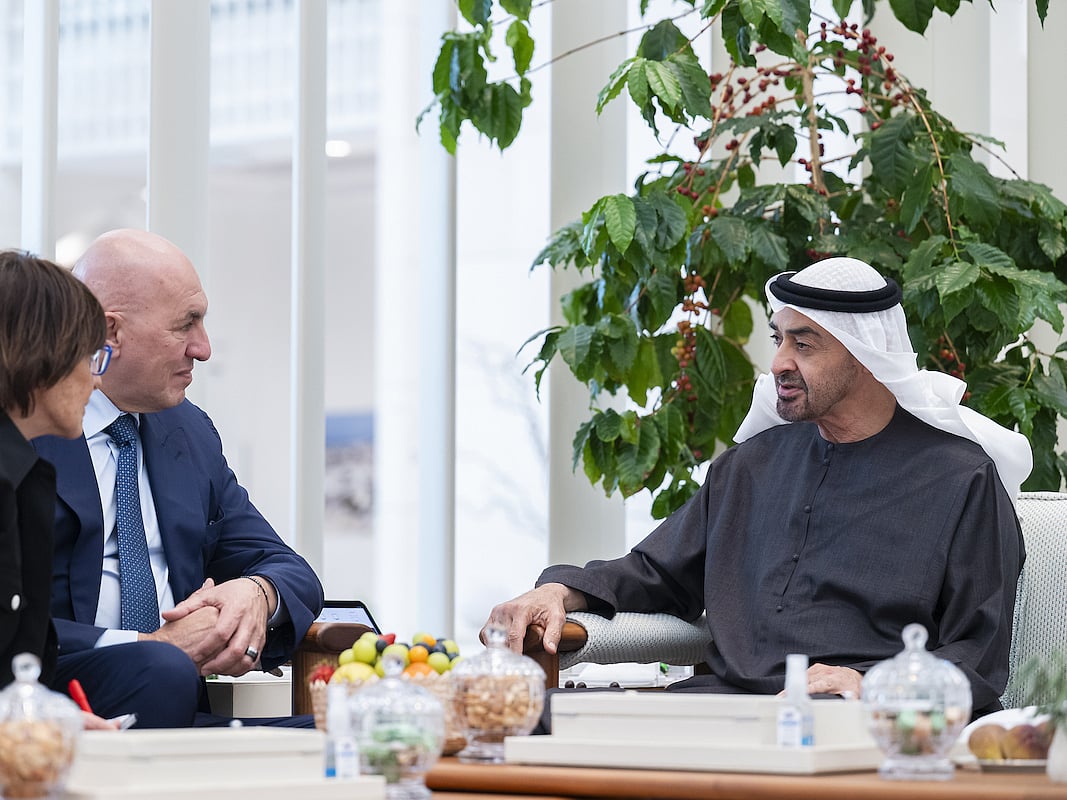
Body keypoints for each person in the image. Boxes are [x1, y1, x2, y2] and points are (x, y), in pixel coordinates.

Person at [486, 257, 1030, 721]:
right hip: (726, 708)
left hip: (855, 720)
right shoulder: (751, 466)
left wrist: (875, 686)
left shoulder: (962, 479)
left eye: (804, 343)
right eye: (779, 340)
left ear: (867, 356)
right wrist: (559, 591)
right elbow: (656, 572)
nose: (778, 364)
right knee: (530, 718)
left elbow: (977, 655)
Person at [33, 229, 325, 728]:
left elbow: (288, 568)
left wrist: (254, 593)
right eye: (186, 324)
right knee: (162, 667)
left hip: (178, 705)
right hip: (58, 702)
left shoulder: (188, 432)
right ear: (111, 332)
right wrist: (149, 645)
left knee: (351, 739)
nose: (204, 348)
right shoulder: (30, 424)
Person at [0, 249, 118, 730]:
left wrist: (55, 718)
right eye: (91, 356)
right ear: (42, 351)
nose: (96, 378)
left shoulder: (26, 474)